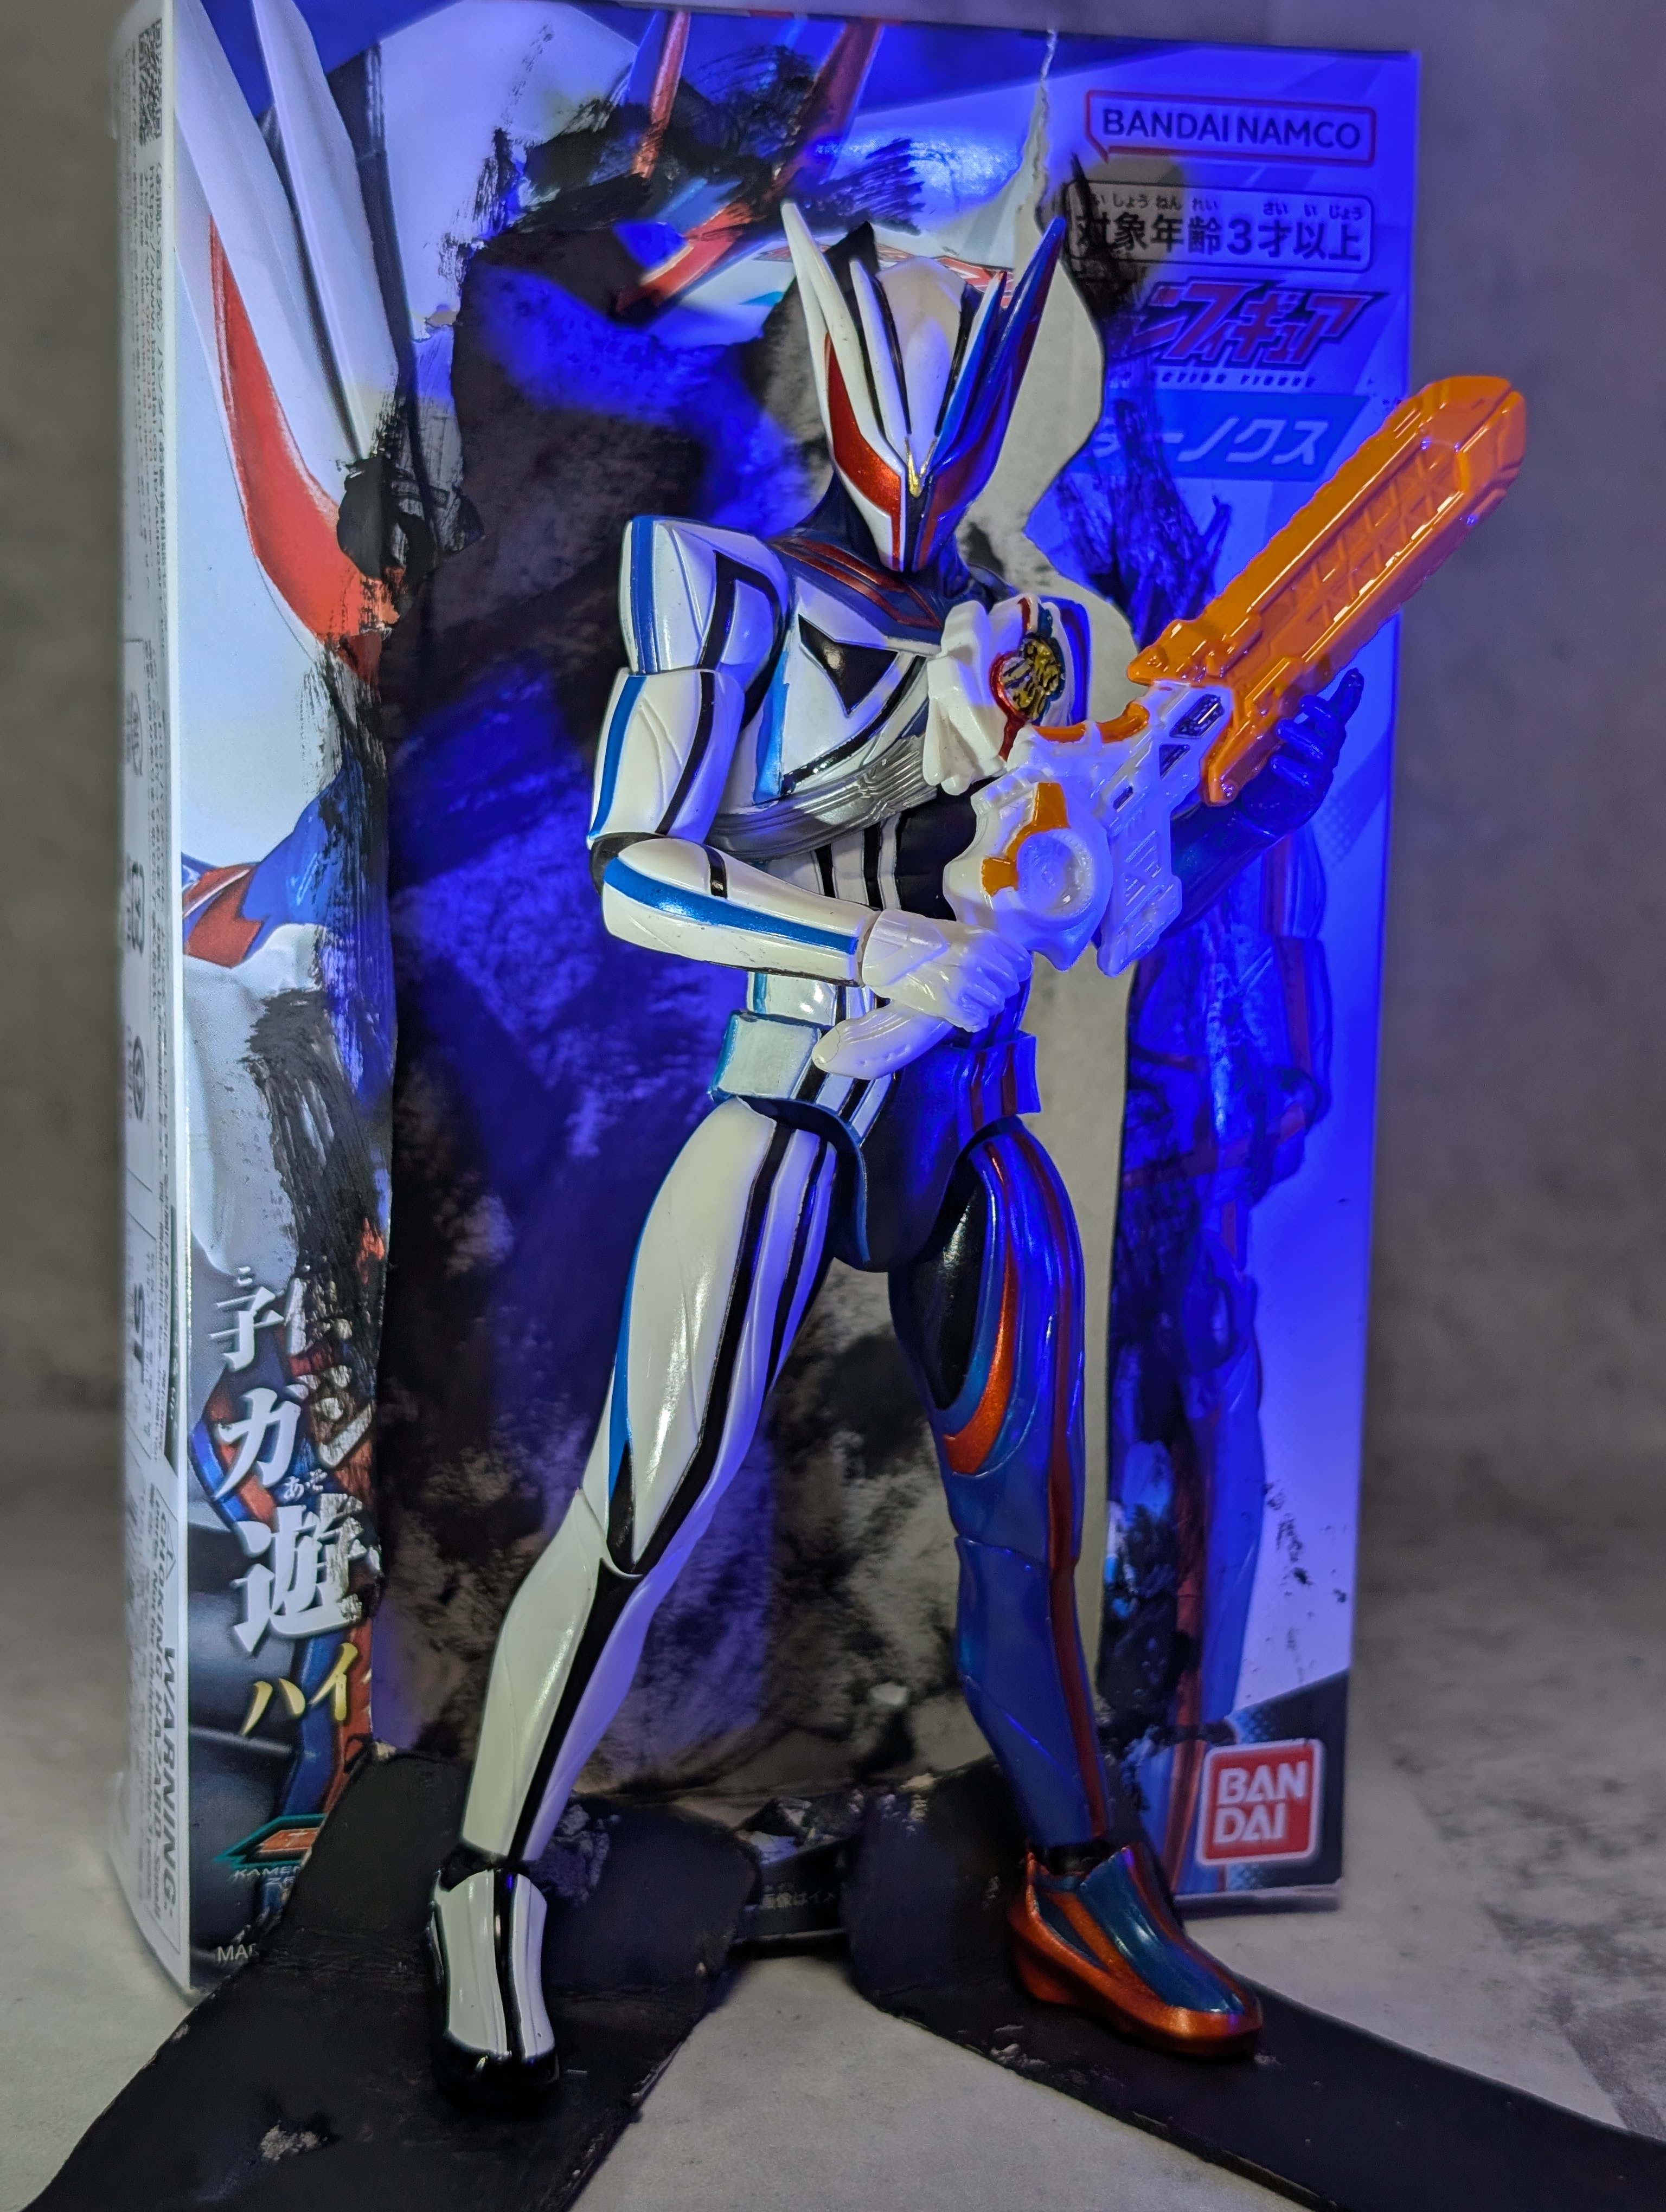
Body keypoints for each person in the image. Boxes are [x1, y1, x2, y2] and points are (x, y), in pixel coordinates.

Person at [428, 205, 1355, 2105]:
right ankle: (487, 1883)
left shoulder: (1051, 639)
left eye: (974, 362)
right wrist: (878, 938)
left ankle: (1081, 1886)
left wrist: (1213, 811)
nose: (935, 414)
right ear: (843, 360)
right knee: (648, 1507)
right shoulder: (725, 587)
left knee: (1029, 1538)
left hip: (971, 1125)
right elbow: (640, 873)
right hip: (793, 1091)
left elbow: (1105, 914)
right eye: (906, 357)